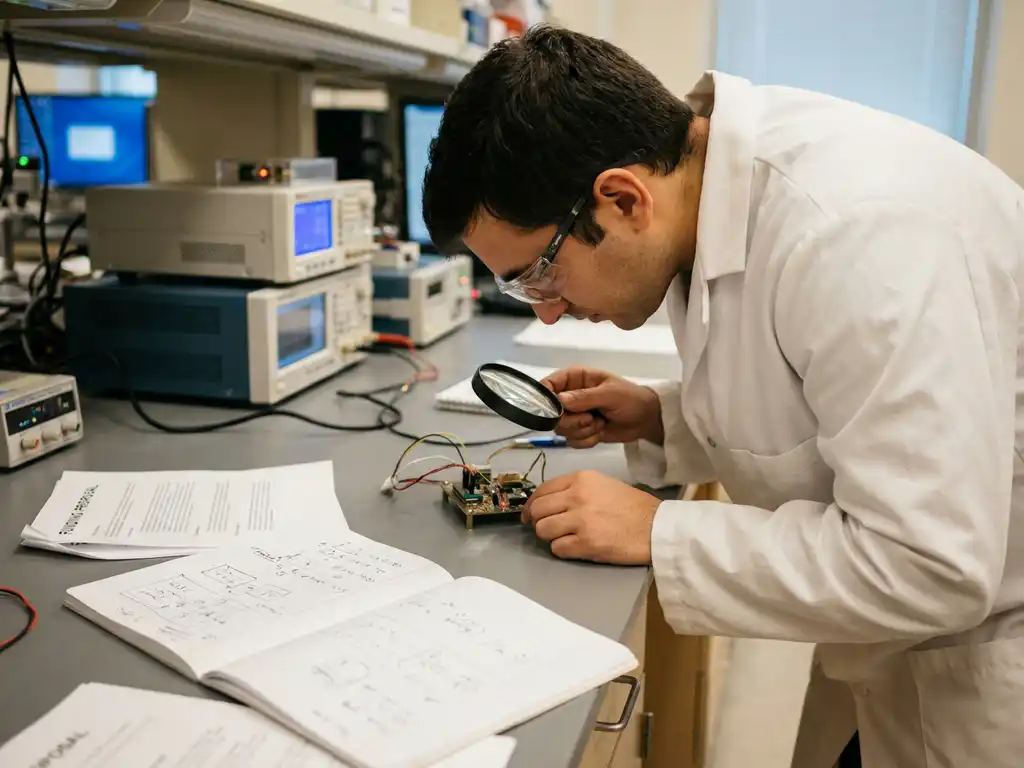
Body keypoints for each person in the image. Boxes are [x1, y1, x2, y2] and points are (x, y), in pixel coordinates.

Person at [422, 24, 1024, 768]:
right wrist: (666, 417)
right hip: (893, 657)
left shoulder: (857, 235)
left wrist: (661, 533)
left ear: (620, 199)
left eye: (540, 274)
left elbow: (928, 564)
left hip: (984, 670)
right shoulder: (707, 188)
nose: (545, 310)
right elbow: (826, 394)